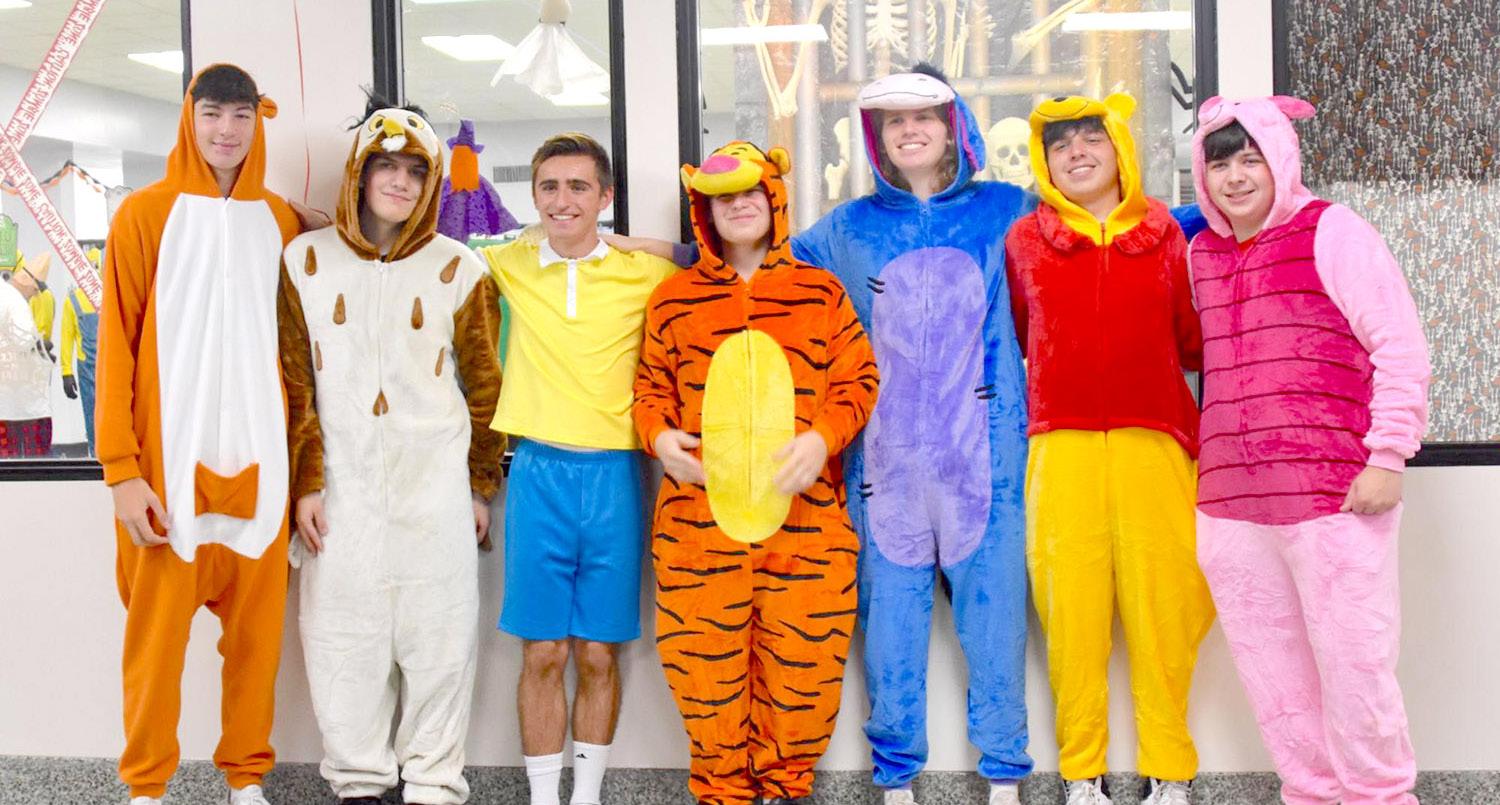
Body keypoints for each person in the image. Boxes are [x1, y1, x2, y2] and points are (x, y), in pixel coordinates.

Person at [791, 64, 1035, 805]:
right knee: (889, 631)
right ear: (876, 137)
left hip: (985, 458)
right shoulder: (848, 229)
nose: (908, 130)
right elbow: (765, 266)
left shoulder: (1010, 210)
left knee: (997, 625)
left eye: (922, 115)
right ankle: (894, 782)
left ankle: (1005, 777)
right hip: (884, 464)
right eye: (893, 120)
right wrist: (648, 249)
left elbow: (1104, 227)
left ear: (953, 124)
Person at [1189, 95, 1430, 805]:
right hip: (1232, 506)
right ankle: (1312, 795)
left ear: (1282, 159)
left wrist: (1387, 455)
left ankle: (1380, 797)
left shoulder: (1335, 230)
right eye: (1220, 165)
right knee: (1274, 678)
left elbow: (1400, 347)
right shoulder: (1201, 253)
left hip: (1334, 495)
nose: (1236, 177)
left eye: (1251, 159)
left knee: (1356, 667)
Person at [633, 141, 877, 805]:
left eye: (750, 192)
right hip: (697, 527)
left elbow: (859, 379)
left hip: (807, 526)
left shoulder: (820, 293)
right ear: (703, 210)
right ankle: (722, 792)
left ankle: (784, 788)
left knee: (804, 670)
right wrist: (659, 438)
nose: (739, 205)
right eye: (723, 197)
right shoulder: (672, 300)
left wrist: (823, 438)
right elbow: (649, 390)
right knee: (702, 672)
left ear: (774, 199)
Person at [279, 98, 503, 805]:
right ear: (359, 171)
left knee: (441, 645)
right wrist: (306, 482)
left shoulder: (460, 268)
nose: (400, 182)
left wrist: (479, 487)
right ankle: (358, 784)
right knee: (342, 643)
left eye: (416, 171)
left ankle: (433, 783)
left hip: (433, 489)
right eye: (386, 167)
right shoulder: (304, 261)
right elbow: (294, 382)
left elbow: (487, 387)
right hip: (340, 492)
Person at [95, 63, 302, 805]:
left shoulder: (281, 223)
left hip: (262, 468)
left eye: (241, 116)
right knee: (155, 645)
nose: (226, 131)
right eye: (212, 113)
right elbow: (114, 349)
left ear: (258, 121)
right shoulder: (143, 215)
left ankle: (246, 778)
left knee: (256, 644)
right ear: (190, 117)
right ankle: (146, 787)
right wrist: (121, 470)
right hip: (166, 473)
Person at [1005, 94, 1213, 805]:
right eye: (1061, 145)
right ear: (1044, 163)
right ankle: (1081, 773)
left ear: (1119, 148)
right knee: (1071, 615)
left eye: (1091, 138)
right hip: (1059, 446)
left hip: (1156, 440)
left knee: (1166, 608)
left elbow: (1191, 341)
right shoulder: (1023, 241)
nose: (1077, 153)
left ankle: (1170, 770)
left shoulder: (1167, 235)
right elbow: (1018, 333)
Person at [476, 132, 678, 805]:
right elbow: (424, 245)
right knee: (543, 652)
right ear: (534, 194)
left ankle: (585, 796)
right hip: (538, 473)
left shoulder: (644, 273)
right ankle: (543, 799)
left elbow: (718, 256)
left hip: (617, 477)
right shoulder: (505, 263)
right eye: (549, 187)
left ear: (605, 196)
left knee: (597, 652)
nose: (562, 201)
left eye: (579, 187)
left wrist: (648, 244)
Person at [0, 252, 53, 457]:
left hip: (7, 396)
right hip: (19, 398)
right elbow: (24, 341)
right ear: (25, 280)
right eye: (35, 290)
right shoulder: (16, 301)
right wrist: (41, 346)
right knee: (28, 458)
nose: (34, 295)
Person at [60, 252, 100, 456]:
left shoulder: (110, 296)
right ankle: (95, 457)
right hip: (87, 369)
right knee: (92, 418)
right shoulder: (72, 300)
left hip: (110, 366)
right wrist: (66, 371)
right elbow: (66, 337)